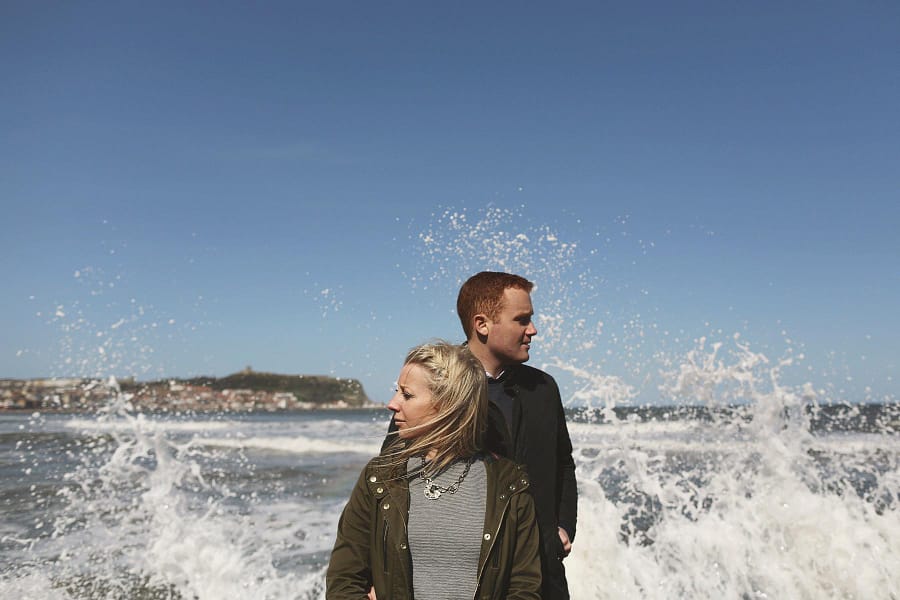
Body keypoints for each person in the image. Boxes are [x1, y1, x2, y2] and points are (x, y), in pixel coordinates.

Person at [384, 272, 577, 598]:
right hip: (463, 581)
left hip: (543, 573)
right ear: (482, 325)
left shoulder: (543, 388)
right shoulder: (435, 386)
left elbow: (563, 463)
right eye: (522, 320)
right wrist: (380, 572)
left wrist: (562, 527)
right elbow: (393, 477)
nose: (532, 329)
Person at [326, 341, 542, 599]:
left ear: (447, 403)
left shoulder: (510, 484)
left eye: (407, 395)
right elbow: (343, 583)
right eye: (397, 392)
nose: (392, 404)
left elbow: (525, 588)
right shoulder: (380, 478)